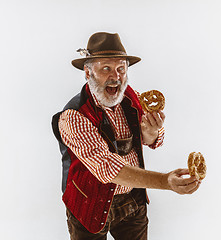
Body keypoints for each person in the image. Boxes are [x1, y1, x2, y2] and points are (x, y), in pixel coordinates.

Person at [52, 32, 201, 240]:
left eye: (121, 68)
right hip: (89, 205)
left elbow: (152, 139)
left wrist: (151, 132)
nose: (116, 76)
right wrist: (166, 182)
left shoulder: (132, 98)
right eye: (106, 68)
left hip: (132, 201)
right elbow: (108, 168)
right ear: (88, 72)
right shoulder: (73, 117)